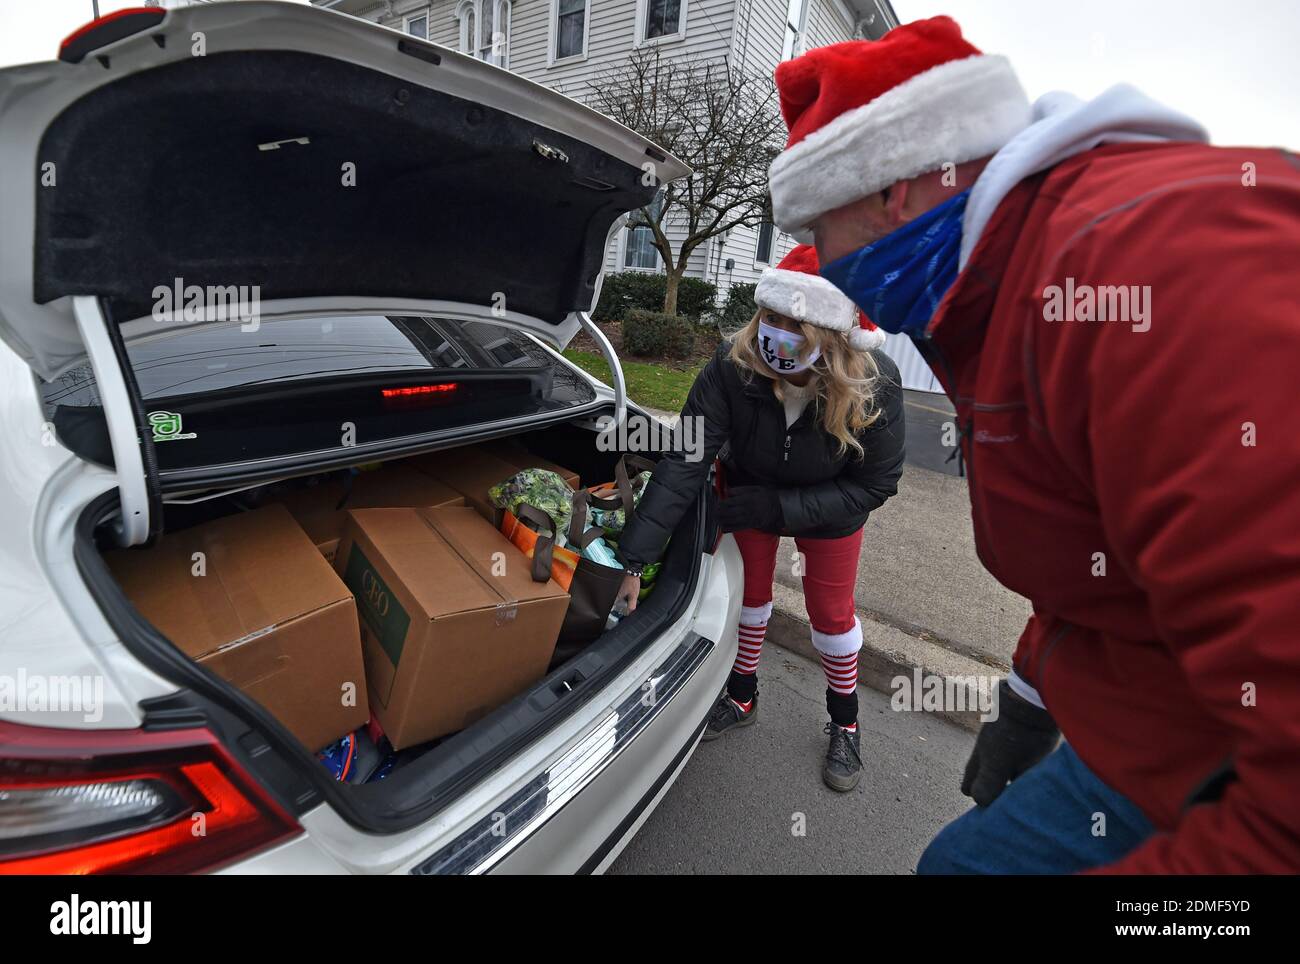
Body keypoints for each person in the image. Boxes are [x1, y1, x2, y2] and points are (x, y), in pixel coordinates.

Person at [767, 15, 1300, 872]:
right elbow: (1093, 547)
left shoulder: (1149, 272)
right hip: (1159, 716)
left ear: (888, 193)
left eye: (821, 233)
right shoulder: (1000, 294)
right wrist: (1029, 696)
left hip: (1232, 760)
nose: (823, 268)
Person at [614, 245, 905, 790]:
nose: (778, 334)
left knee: (831, 616)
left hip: (833, 506)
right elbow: (686, 457)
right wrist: (634, 559)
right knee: (748, 598)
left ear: (832, 335)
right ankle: (743, 694)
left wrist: (782, 509)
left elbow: (876, 483)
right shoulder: (733, 364)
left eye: (796, 325)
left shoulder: (875, 381)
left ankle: (845, 722)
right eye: (772, 317)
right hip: (748, 490)